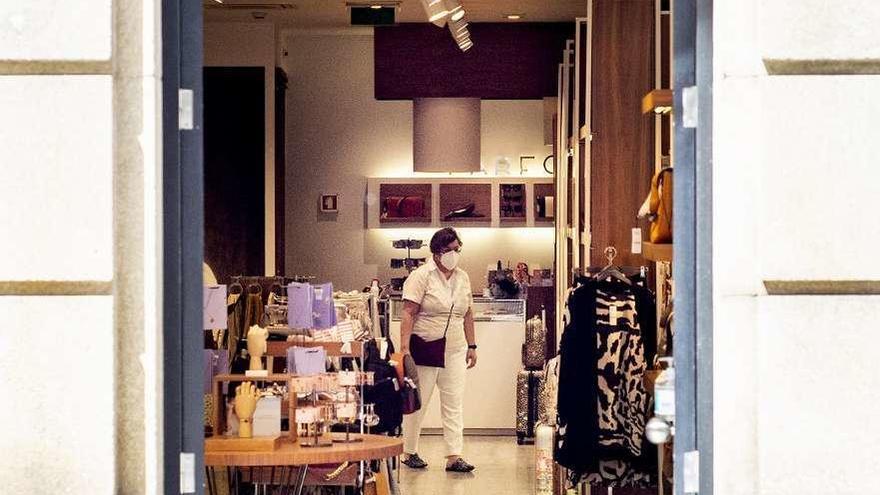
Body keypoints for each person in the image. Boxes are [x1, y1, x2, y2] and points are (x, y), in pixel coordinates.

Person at [400, 227, 478, 473]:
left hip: (454, 348)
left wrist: (472, 345)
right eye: (448, 250)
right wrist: (404, 350)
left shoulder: (462, 277)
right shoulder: (421, 276)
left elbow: (468, 314)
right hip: (425, 347)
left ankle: (454, 456)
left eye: (457, 249)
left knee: (454, 402)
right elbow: (408, 313)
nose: (453, 255)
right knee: (418, 402)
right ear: (436, 252)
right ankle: (408, 450)